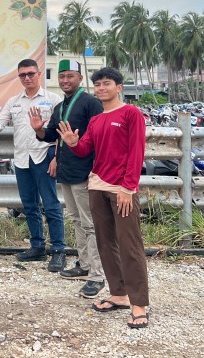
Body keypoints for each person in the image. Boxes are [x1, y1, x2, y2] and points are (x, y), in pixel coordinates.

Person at [57, 67, 149, 329]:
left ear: (119, 87)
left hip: (122, 190)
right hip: (97, 186)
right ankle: (118, 294)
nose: (101, 89)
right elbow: (86, 147)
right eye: (97, 85)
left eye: (106, 83)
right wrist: (73, 142)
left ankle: (139, 304)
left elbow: (136, 152)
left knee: (130, 245)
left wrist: (128, 187)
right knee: (106, 244)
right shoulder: (97, 119)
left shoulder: (131, 114)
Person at [0, 59, 65, 269]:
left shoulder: (53, 99)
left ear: (39, 73)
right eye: (22, 75)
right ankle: (37, 248)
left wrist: (56, 158)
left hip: (44, 157)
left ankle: (58, 250)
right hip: (22, 160)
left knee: (51, 205)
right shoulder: (14, 101)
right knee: (30, 206)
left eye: (30, 74)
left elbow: (62, 131)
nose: (27, 78)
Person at [29, 59, 105, 298]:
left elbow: (101, 138)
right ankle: (83, 265)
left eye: (69, 76)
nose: (65, 81)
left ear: (80, 78)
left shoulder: (91, 103)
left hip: (86, 172)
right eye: (61, 77)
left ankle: (97, 275)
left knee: (91, 224)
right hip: (67, 171)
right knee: (76, 220)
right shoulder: (61, 106)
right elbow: (51, 135)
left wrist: (97, 170)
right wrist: (38, 129)